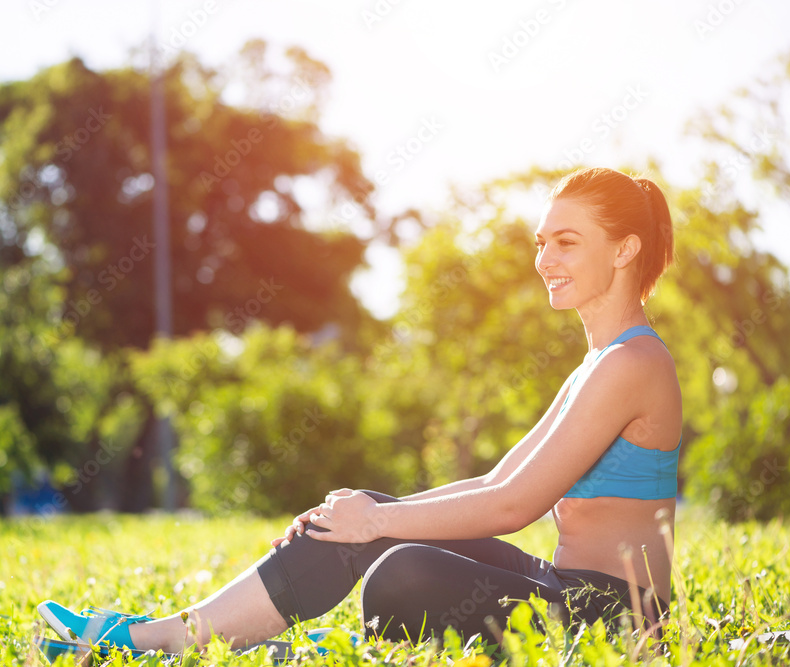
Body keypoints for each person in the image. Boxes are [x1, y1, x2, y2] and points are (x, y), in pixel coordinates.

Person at [38, 166, 681, 654]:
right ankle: (172, 639)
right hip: (558, 585)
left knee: (399, 571)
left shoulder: (633, 363)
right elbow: (493, 483)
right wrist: (373, 515)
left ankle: (200, 646)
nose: (544, 260)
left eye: (566, 242)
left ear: (624, 250)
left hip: (614, 621)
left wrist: (377, 525)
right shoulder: (596, 365)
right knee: (372, 518)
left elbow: (517, 507)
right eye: (542, 242)